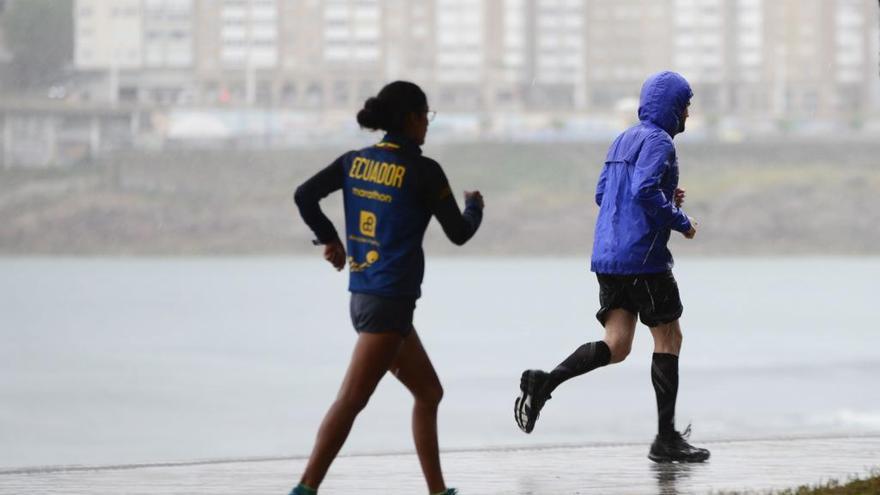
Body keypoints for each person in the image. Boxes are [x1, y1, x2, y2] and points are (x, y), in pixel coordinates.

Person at [291, 80, 484, 495]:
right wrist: (475, 207)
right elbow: (459, 234)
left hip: (366, 297)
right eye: (426, 117)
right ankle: (305, 488)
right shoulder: (424, 172)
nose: (427, 126)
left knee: (429, 392)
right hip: (388, 304)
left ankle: (437, 491)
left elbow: (305, 195)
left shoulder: (353, 162)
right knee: (352, 399)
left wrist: (330, 238)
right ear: (412, 119)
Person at [513, 71, 710, 463]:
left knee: (616, 344)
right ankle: (666, 439)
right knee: (669, 339)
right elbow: (642, 190)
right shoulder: (660, 142)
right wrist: (681, 221)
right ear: (673, 107)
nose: (688, 113)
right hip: (644, 259)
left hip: (608, 257)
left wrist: (664, 195)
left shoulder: (622, 138)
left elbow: (605, 193)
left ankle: (544, 381)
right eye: (685, 105)